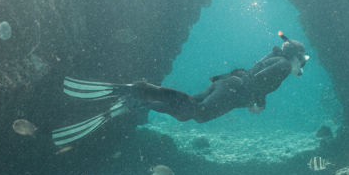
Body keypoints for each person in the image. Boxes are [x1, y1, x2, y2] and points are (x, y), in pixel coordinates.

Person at [53, 32, 309, 146]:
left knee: (191, 108)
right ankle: (139, 90)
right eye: (304, 60)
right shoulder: (284, 66)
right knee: (199, 114)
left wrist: (256, 97)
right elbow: (259, 80)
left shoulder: (277, 59)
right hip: (235, 90)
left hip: (229, 83)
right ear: (296, 56)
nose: (303, 66)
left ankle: (140, 100)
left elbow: (256, 74)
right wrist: (259, 102)